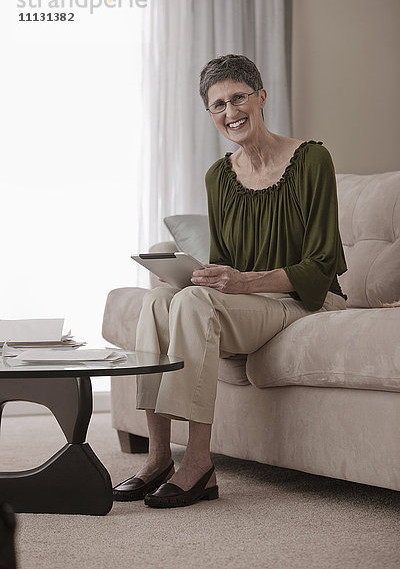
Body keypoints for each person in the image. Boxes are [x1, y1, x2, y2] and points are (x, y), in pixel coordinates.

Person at [113, 54, 348, 508]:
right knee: (160, 300)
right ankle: (159, 456)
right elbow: (225, 263)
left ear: (261, 97)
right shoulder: (219, 177)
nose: (231, 112)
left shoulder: (312, 160)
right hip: (248, 304)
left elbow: (320, 266)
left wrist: (243, 283)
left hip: (303, 300)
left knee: (194, 304)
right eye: (218, 105)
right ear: (211, 114)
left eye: (238, 97)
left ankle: (199, 463)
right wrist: (198, 275)